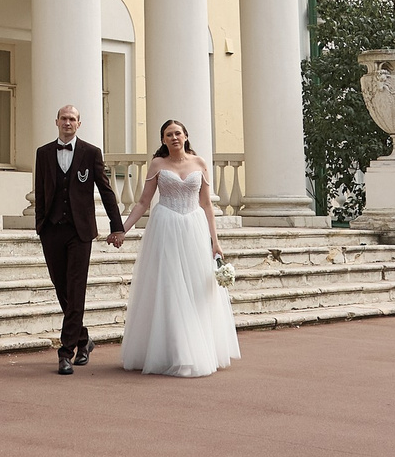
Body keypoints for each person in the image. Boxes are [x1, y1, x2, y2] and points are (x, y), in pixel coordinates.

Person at [108, 118, 241, 376]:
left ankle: (198, 348)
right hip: (165, 226)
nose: (174, 138)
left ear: (186, 136)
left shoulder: (200, 163)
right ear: (163, 140)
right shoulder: (158, 164)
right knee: (168, 286)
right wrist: (122, 229)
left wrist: (216, 241)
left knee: (194, 287)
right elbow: (143, 202)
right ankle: (171, 350)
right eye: (169, 135)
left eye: (177, 133)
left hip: (193, 227)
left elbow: (207, 205)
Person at [30, 104, 124, 375]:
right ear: (56, 121)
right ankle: (84, 340)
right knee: (62, 289)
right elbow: (41, 190)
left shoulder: (91, 153)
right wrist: (40, 225)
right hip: (51, 230)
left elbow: (106, 192)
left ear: (79, 124)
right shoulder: (44, 153)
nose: (68, 123)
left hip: (80, 232)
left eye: (72, 119)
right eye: (64, 118)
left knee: (76, 289)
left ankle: (65, 350)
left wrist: (116, 226)